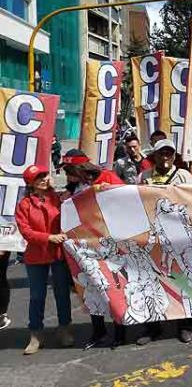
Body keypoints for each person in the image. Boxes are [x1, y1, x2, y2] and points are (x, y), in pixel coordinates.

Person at [60, 149, 125, 349]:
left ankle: (120, 332)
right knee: (91, 289)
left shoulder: (107, 177)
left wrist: (110, 193)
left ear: (80, 168)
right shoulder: (73, 187)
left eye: (68, 169)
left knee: (113, 287)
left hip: (109, 243)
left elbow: (127, 202)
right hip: (83, 246)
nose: (66, 174)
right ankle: (98, 331)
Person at [138, 139, 192, 343]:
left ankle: (185, 325)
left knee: (182, 283)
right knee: (151, 281)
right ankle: (153, 327)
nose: (165, 157)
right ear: (154, 156)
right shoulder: (144, 176)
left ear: (174, 156)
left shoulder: (184, 175)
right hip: (153, 237)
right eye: (161, 153)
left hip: (178, 236)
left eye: (169, 153)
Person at [15, 165, 73, 355]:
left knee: (62, 293)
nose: (43, 179)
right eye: (37, 177)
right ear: (30, 183)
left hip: (58, 253)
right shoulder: (24, 205)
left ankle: (64, 328)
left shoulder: (58, 198)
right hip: (36, 256)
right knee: (37, 296)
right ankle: (35, 335)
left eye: (44, 175)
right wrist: (49, 237)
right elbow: (26, 232)